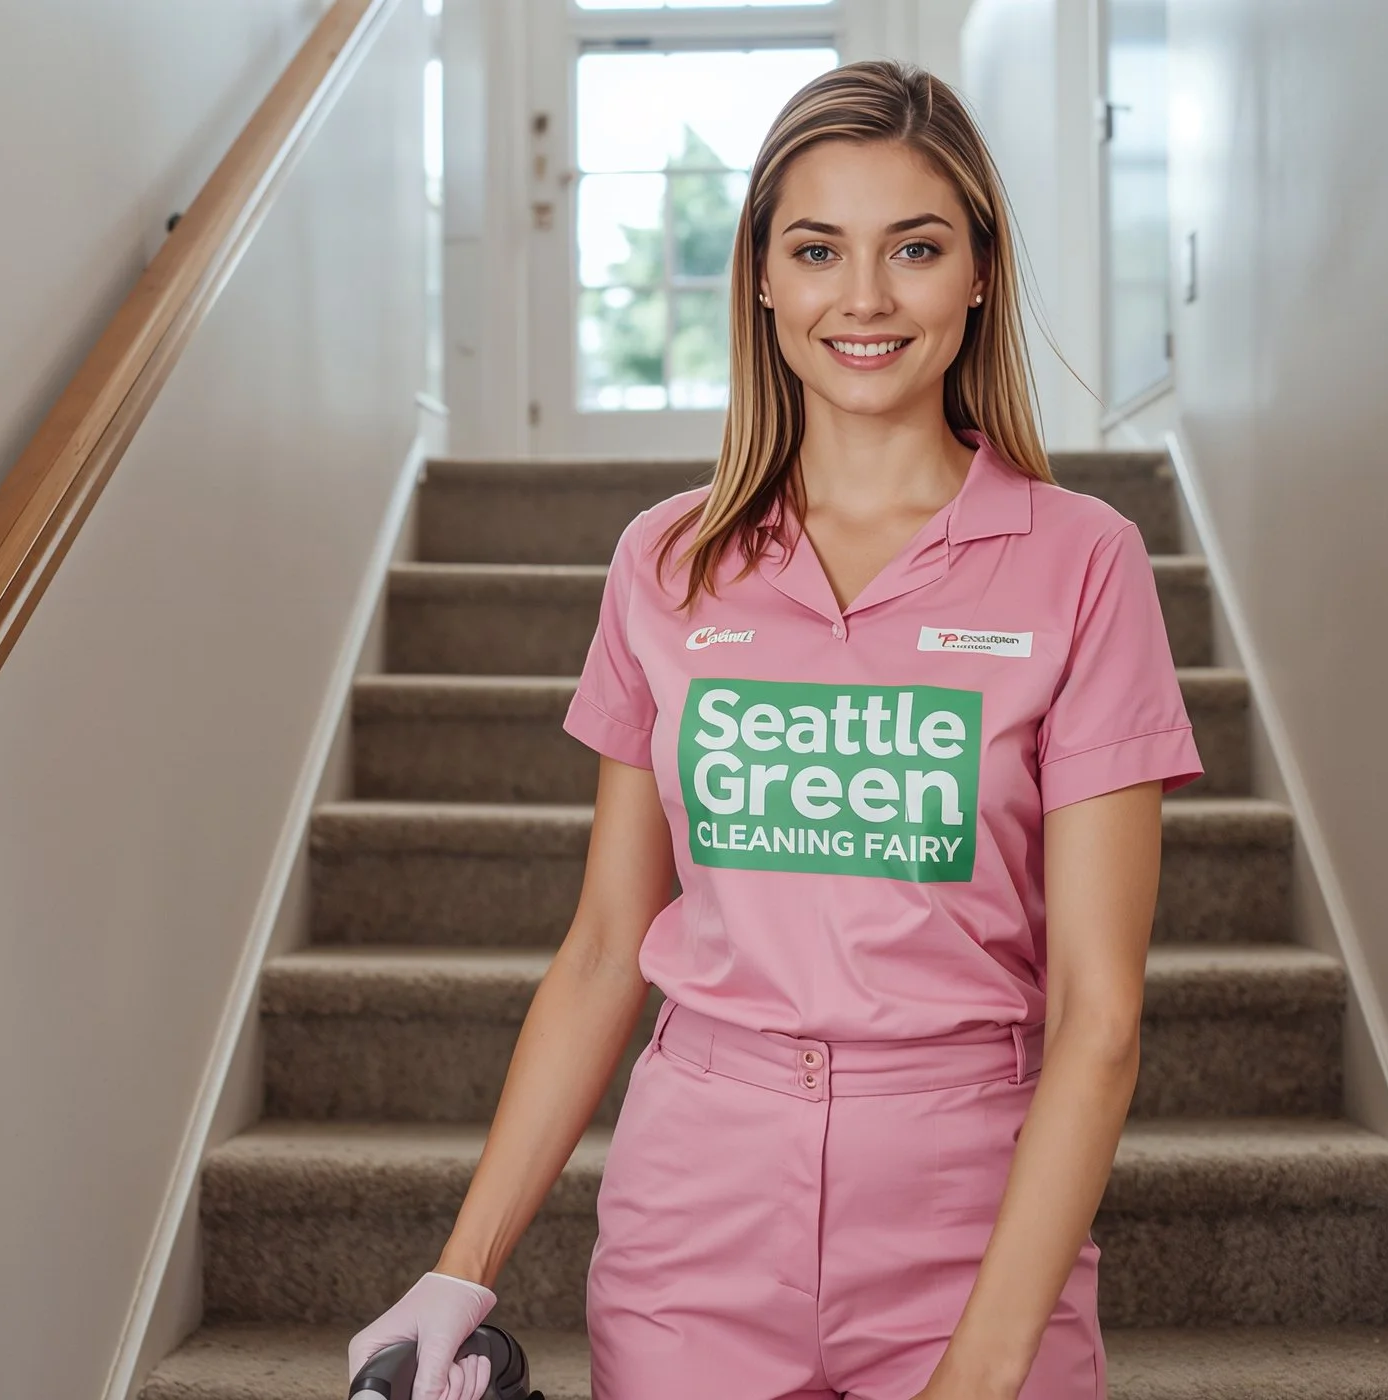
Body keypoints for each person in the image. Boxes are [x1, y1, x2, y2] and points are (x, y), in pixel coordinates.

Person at [347, 58, 1201, 1400]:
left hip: (968, 1210)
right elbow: (600, 953)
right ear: (760, 275)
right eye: (818, 249)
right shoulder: (664, 562)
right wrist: (465, 1266)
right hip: (694, 1217)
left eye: (914, 248)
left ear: (979, 271)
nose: (863, 298)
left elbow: (1100, 1017)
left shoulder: (1081, 563)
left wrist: (979, 1376)